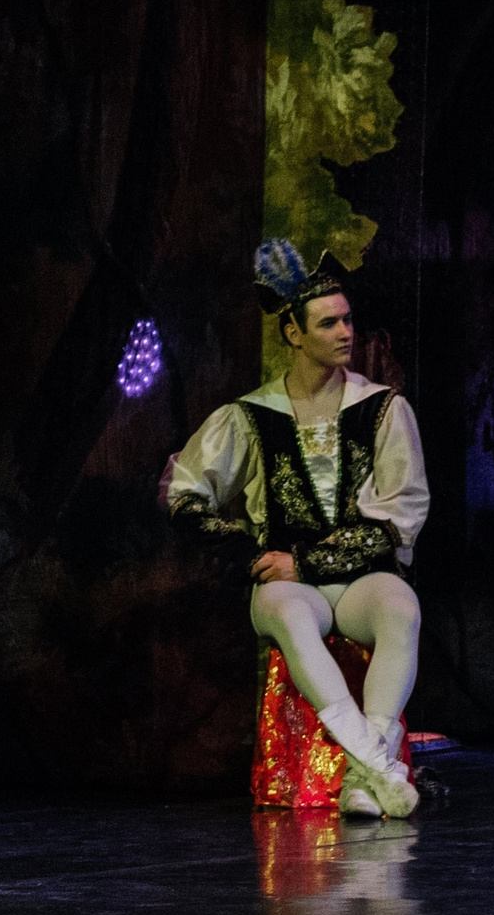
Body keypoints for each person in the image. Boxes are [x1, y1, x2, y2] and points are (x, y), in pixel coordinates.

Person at [166, 241, 428, 817]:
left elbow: (399, 517)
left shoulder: (382, 408)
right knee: (286, 611)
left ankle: (364, 773)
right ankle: (381, 767)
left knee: (401, 607)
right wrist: (252, 547)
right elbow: (184, 496)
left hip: (356, 579)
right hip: (289, 589)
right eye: (328, 322)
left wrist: (305, 562)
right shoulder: (251, 414)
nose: (345, 332)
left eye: (348, 319)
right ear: (293, 334)